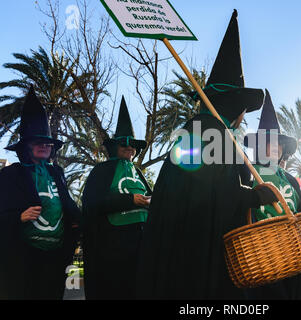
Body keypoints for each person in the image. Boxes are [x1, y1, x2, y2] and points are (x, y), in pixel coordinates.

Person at [136, 10, 279, 300]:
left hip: (184, 248)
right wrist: (255, 197)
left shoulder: (199, 130)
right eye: (242, 109)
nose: (243, 117)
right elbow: (212, 195)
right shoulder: (210, 132)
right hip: (198, 254)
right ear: (233, 106)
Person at [0, 87, 81, 299]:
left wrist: (75, 220)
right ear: (26, 146)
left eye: (48, 142)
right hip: (24, 256)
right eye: (38, 142)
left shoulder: (57, 172)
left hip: (55, 256)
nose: (44, 146)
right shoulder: (11, 174)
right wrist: (17, 216)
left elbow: (67, 202)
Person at [243, 89, 301, 300]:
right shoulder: (246, 172)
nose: (273, 147)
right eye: (267, 142)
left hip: (292, 252)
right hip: (259, 254)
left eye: (277, 143)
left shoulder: (290, 179)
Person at [82, 97, 152, 300]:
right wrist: (129, 200)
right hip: (113, 245)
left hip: (140, 243)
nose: (130, 148)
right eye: (124, 144)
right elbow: (92, 204)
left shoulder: (138, 172)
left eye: (133, 145)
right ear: (114, 147)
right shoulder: (101, 170)